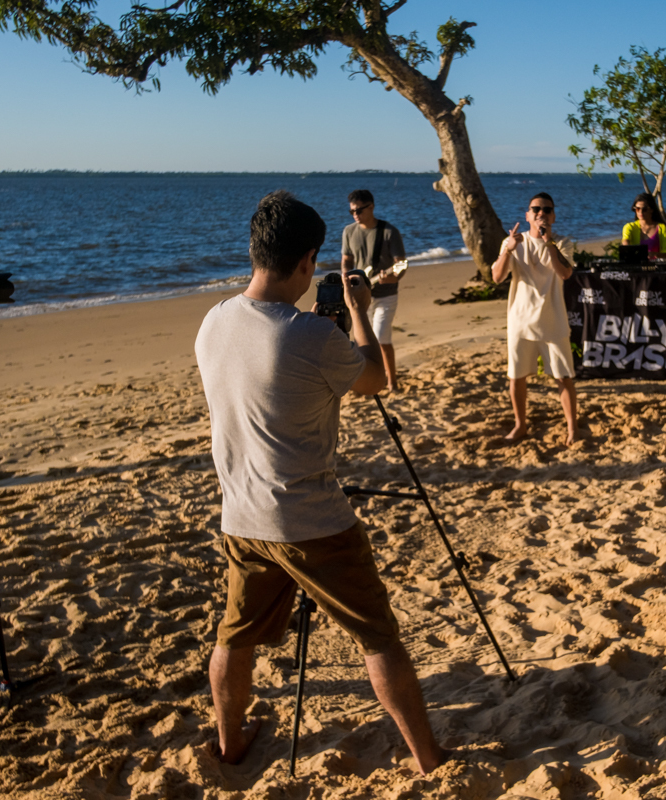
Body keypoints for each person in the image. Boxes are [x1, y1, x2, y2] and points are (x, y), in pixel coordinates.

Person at [195, 191, 444, 773]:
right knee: (378, 636)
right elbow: (375, 380)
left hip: (242, 514)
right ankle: (430, 758)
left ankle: (229, 744)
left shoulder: (214, 321)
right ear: (307, 263)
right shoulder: (311, 336)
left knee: (234, 636)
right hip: (312, 521)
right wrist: (357, 310)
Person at [491, 192, 577, 445]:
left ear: (553, 216)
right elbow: (496, 277)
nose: (541, 213)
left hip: (553, 321)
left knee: (563, 376)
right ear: (527, 215)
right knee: (516, 377)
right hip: (520, 321)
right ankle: (520, 425)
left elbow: (565, 273)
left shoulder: (562, 243)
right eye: (536, 209)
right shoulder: (513, 242)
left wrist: (548, 242)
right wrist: (508, 249)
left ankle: (572, 428)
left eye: (547, 209)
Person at [341, 189, 407, 393]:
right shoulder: (349, 231)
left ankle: (392, 382)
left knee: (381, 339)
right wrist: (345, 279)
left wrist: (392, 277)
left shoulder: (389, 232)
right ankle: (366, 381)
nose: (355, 214)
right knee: (362, 341)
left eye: (359, 210)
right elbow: (347, 260)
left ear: (371, 207)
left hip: (386, 294)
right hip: (361, 297)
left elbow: (401, 264)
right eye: (352, 211)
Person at [620, 192, 666, 257]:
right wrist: (627, 248)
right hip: (636, 266)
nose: (641, 212)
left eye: (645, 209)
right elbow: (625, 241)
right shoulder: (629, 227)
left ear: (651, 210)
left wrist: (655, 255)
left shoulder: (662, 228)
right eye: (638, 209)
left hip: (656, 266)